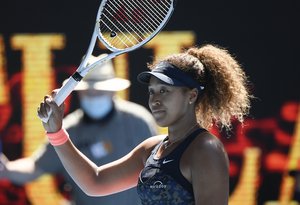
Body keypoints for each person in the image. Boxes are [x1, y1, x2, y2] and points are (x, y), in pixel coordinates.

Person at [37, 44, 251, 205]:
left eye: (165, 90)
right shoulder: (152, 149)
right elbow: (95, 182)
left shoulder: (206, 149)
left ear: (191, 95)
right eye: (152, 91)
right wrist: (56, 131)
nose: (155, 100)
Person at [0, 54, 158, 205]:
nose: (94, 96)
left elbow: (158, 173)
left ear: (113, 91)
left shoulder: (139, 122)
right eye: (89, 92)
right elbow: (36, 166)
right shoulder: (66, 129)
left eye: (99, 91)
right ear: (80, 93)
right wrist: (5, 169)